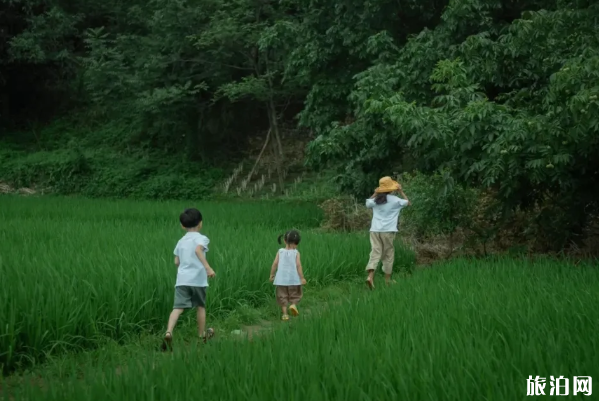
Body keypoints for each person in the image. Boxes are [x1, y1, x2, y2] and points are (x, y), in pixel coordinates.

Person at [162, 208, 216, 351]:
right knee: (200, 306)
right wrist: (208, 268)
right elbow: (198, 250)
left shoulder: (181, 241)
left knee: (177, 308)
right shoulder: (201, 238)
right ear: (200, 223)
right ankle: (201, 335)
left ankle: (168, 332)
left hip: (182, 280)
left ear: (183, 226)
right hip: (197, 280)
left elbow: (176, 262)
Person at [365, 176, 411, 289]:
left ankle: (370, 276)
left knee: (375, 252)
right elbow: (408, 203)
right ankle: (387, 280)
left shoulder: (376, 200)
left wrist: (375, 193)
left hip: (375, 230)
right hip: (388, 231)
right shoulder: (395, 200)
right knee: (388, 254)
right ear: (392, 188)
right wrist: (401, 191)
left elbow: (367, 203)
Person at [269, 230, 306, 321]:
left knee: (282, 296)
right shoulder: (296, 253)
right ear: (296, 243)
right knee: (295, 294)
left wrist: (272, 275)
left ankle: (285, 315)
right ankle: (293, 305)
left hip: (281, 280)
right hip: (293, 279)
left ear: (284, 241)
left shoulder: (280, 251)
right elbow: (298, 265)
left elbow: (275, 264)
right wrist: (302, 278)